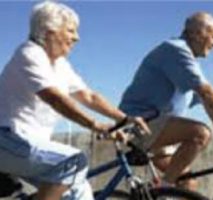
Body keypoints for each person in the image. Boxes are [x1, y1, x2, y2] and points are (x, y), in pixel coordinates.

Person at [0, 1, 149, 200]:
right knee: (74, 161)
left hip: (29, 145)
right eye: (71, 31)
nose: (76, 38)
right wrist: (95, 125)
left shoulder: (60, 65)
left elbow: (89, 96)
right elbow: (54, 98)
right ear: (50, 30)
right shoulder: (29, 54)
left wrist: (125, 118)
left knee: (78, 191)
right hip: (8, 139)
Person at [119, 12, 213, 190]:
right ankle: (162, 189)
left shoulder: (186, 61)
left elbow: (208, 104)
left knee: (188, 184)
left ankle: (162, 189)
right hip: (138, 124)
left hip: (155, 127)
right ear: (197, 34)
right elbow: (207, 92)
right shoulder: (175, 50)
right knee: (200, 133)